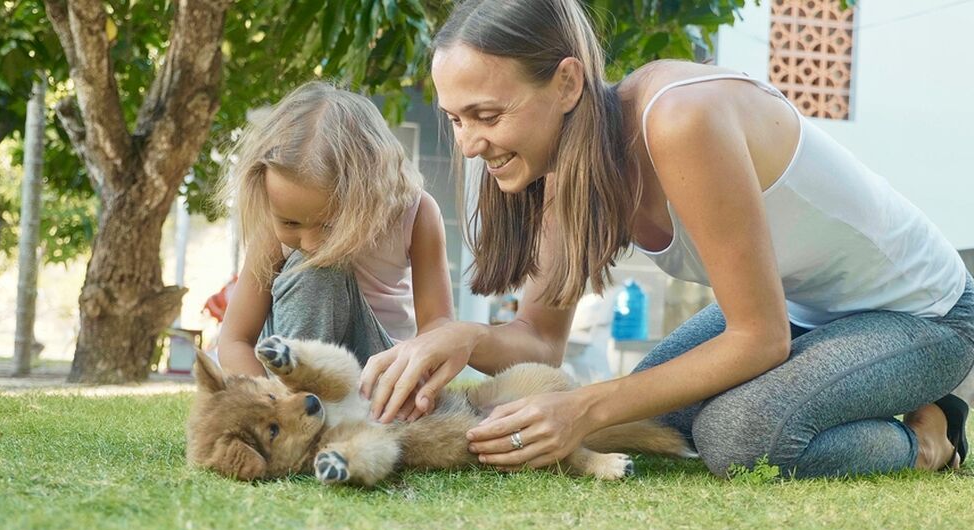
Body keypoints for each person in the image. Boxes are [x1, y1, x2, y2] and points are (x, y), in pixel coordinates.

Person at [360, 0, 974, 478]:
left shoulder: (681, 119)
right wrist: (460, 337)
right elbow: (540, 343)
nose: (468, 144)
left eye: (487, 116)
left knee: (741, 438)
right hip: (805, 314)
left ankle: (928, 436)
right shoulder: (557, 170)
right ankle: (849, 391)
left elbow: (757, 339)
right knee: (650, 419)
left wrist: (586, 406)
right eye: (456, 119)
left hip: (925, 315)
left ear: (567, 83)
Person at [217, 82, 454, 376]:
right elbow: (235, 339)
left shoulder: (416, 213)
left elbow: (438, 325)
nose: (311, 242)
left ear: (373, 194)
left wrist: (412, 377)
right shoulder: (274, 213)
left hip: (377, 369)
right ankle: (300, 399)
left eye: (330, 226)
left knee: (322, 265)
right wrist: (267, 402)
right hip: (288, 377)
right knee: (317, 268)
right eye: (291, 223)